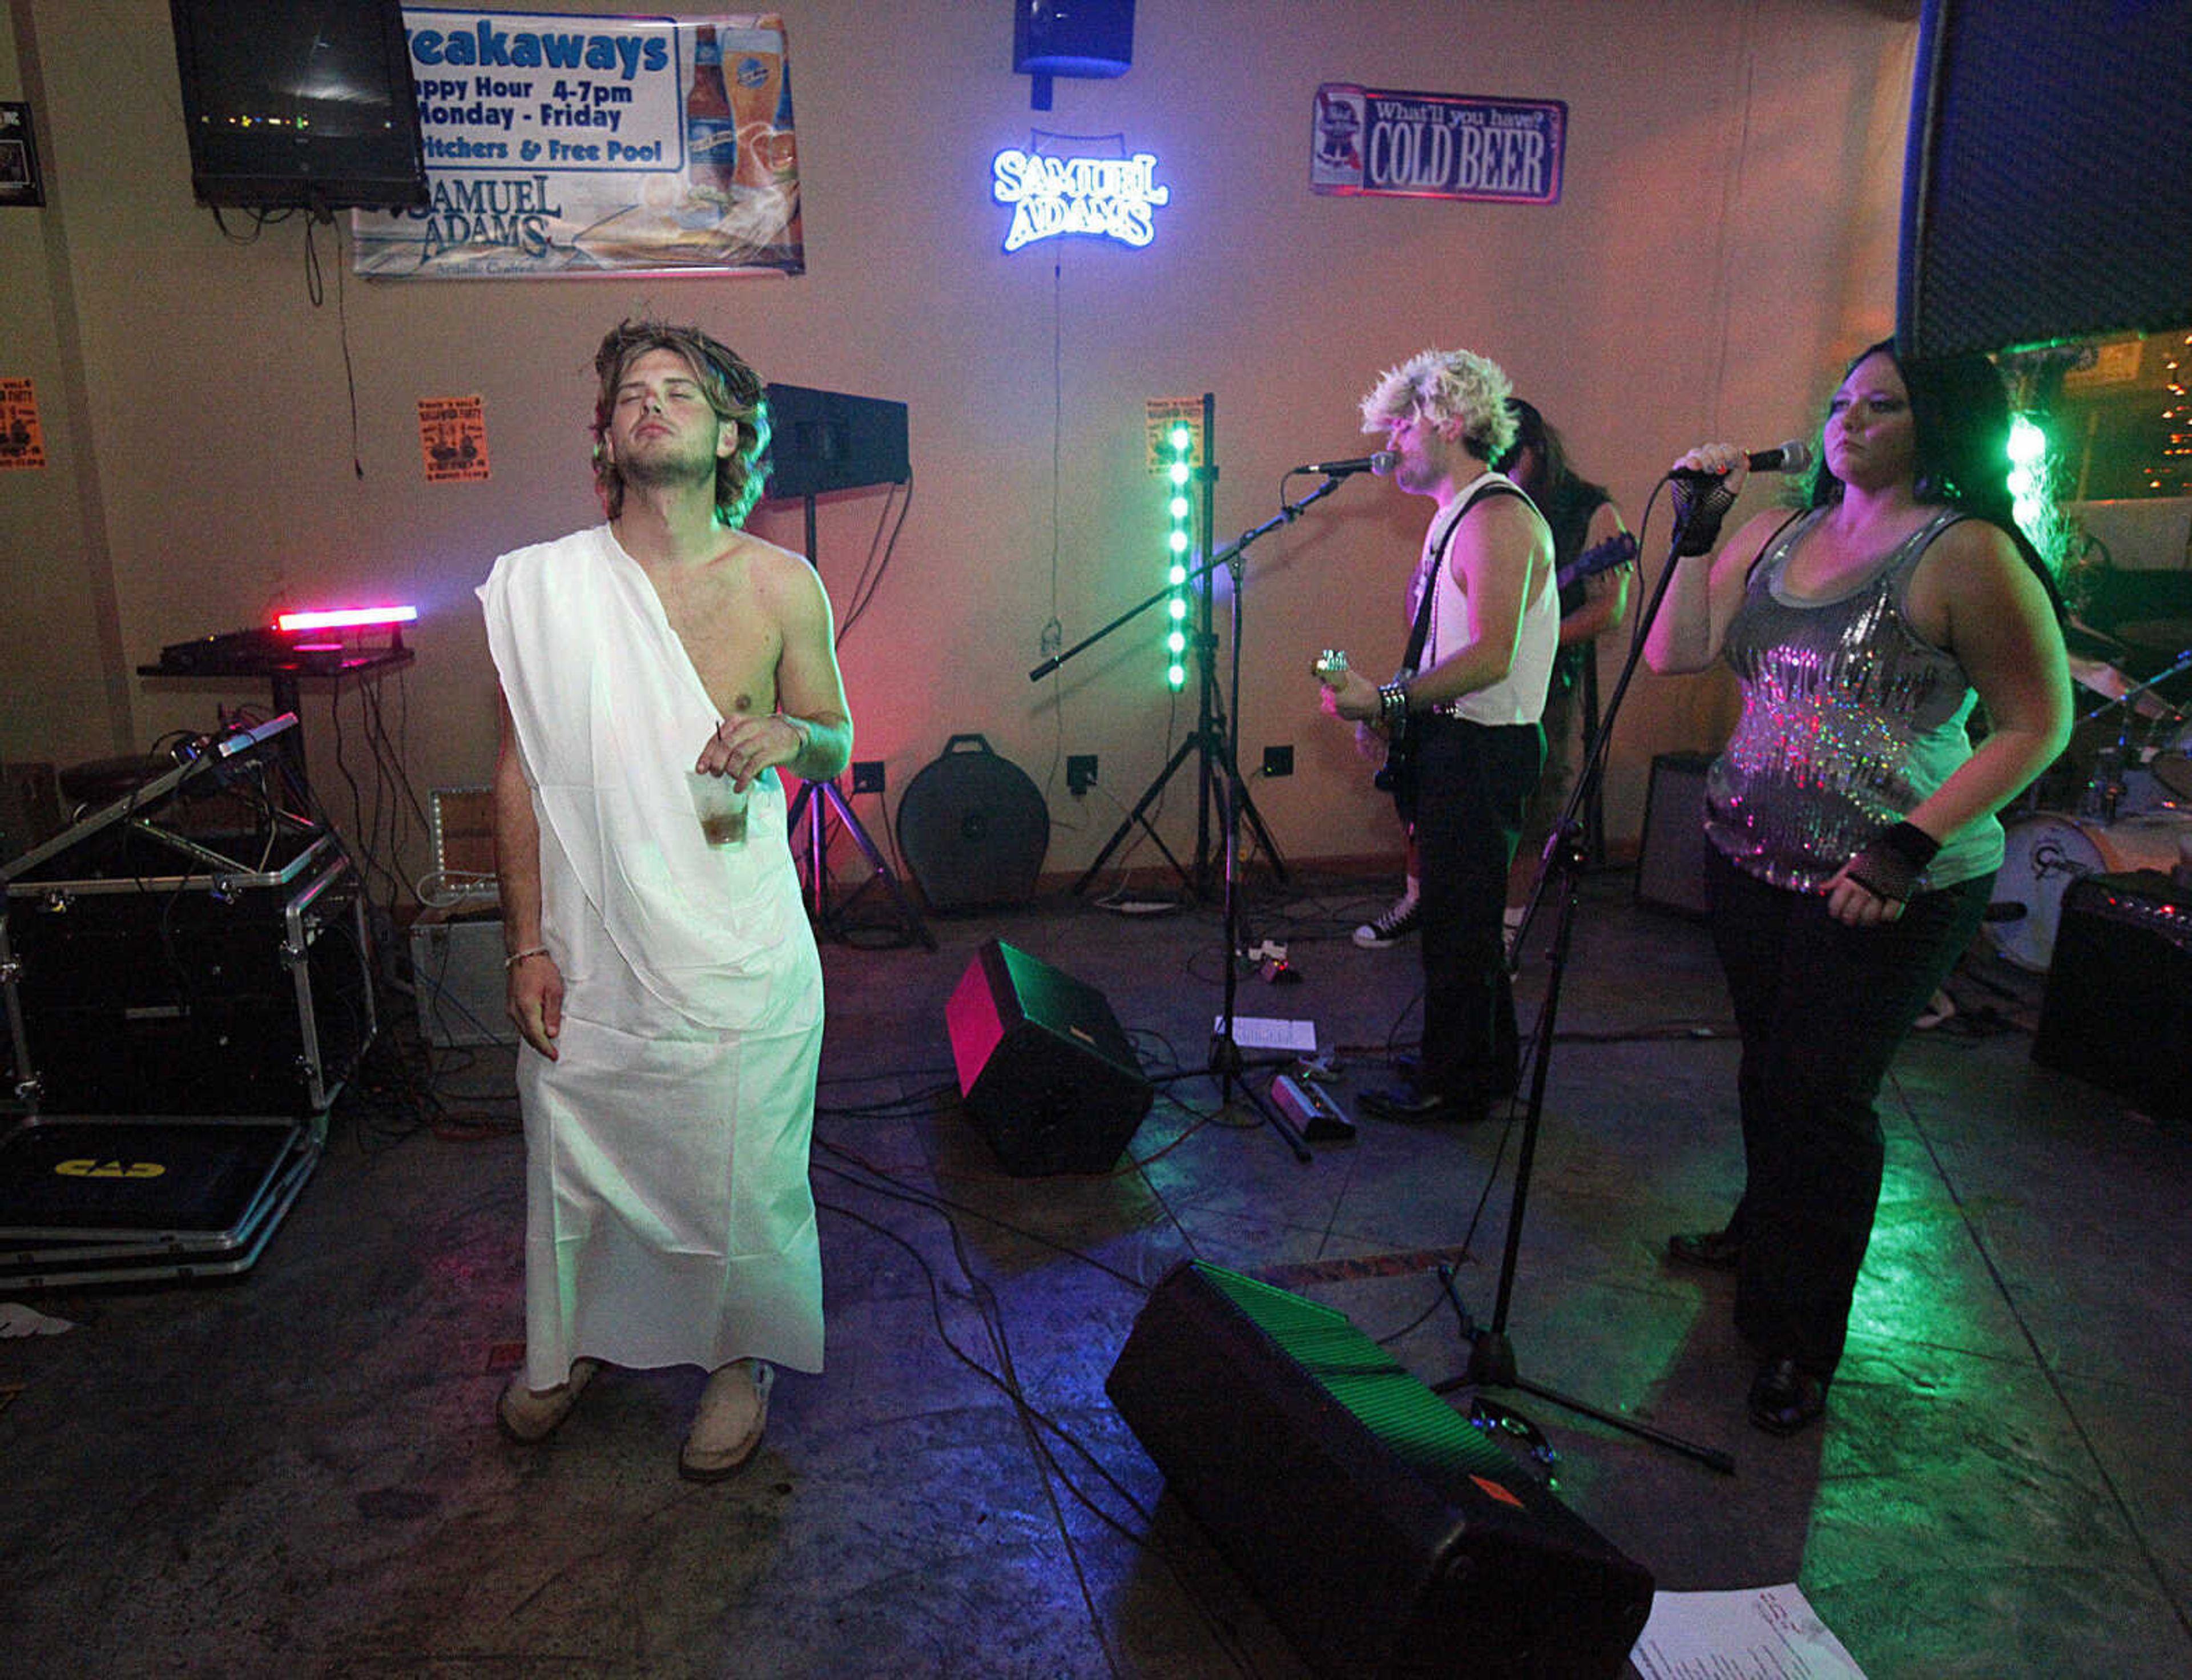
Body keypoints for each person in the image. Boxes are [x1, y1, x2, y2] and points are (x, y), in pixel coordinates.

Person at [1643, 339, 2070, 1436]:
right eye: (1841, 402)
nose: (1851, 420)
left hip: (1885, 883)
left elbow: (2037, 723)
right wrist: (1694, 541)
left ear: (1942, 425)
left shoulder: (1965, 553)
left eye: (1883, 405)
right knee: (1769, 1068)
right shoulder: (1780, 532)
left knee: (1824, 1099)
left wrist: (1904, 847)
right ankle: (1759, 1222)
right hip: (1748, 857)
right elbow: (1672, 656)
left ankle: (1798, 1337)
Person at [478, 319, 852, 1480]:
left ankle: (738, 1360)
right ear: (608, 434)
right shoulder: (548, 589)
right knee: (578, 1148)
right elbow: (518, 775)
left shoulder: (782, 583)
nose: (651, 405)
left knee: (735, 1166)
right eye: (632, 393)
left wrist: (791, 730)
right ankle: (578, 1339)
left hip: (732, 931)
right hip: (591, 943)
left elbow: (837, 742)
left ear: (729, 431)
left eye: (679, 391)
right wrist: (525, 947)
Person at [1319, 348, 1558, 1123]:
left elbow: (1489, 655)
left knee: (1457, 923)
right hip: (1454, 741)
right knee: (1461, 920)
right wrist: (1392, 714)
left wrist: (1388, 701)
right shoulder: (1452, 516)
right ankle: (1479, 1065)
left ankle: (1452, 1084)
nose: (1390, 440)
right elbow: (1438, 643)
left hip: (1485, 748)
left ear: (1450, 422)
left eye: (1403, 422)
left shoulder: (1497, 516)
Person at [1351, 397, 1631, 946]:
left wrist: (1529, 640)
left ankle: (1504, 927)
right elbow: (1426, 593)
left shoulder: (1575, 512)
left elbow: (1609, 608)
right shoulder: (1460, 511)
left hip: (1536, 689)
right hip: (1456, 690)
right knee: (1421, 791)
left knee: (1529, 811)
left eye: (1508, 459)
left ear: (1535, 452)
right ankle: (1420, 901)